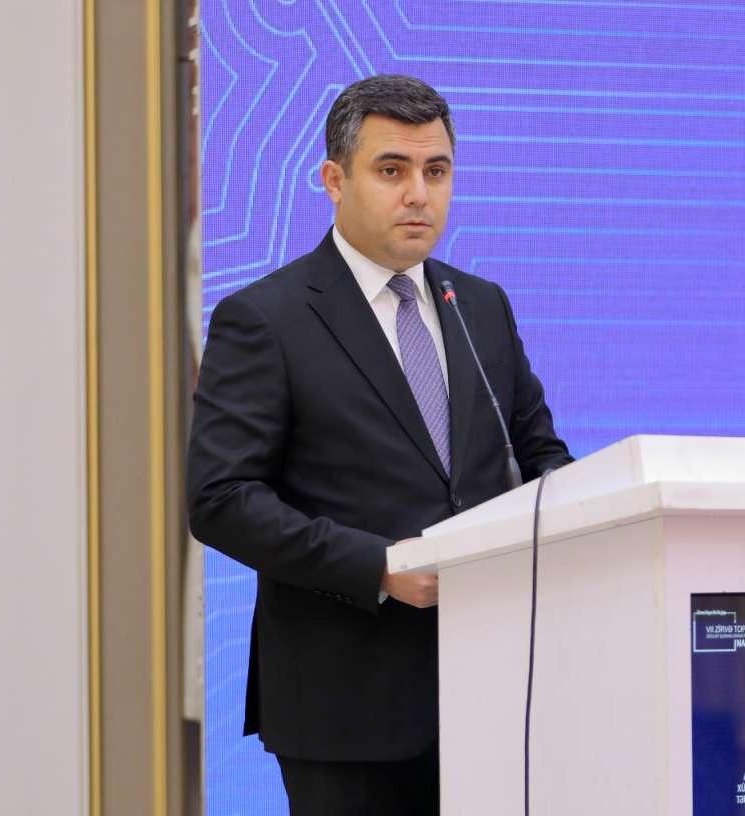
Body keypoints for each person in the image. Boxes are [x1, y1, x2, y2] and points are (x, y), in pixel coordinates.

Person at [187, 74, 572, 815]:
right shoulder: (265, 319)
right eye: (391, 170)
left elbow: (541, 458)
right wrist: (380, 567)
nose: (419, 195)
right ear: (334, 180)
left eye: (436, 171)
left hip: (496, 689)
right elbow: (221, 499)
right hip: (345, 706)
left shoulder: (480, 306)